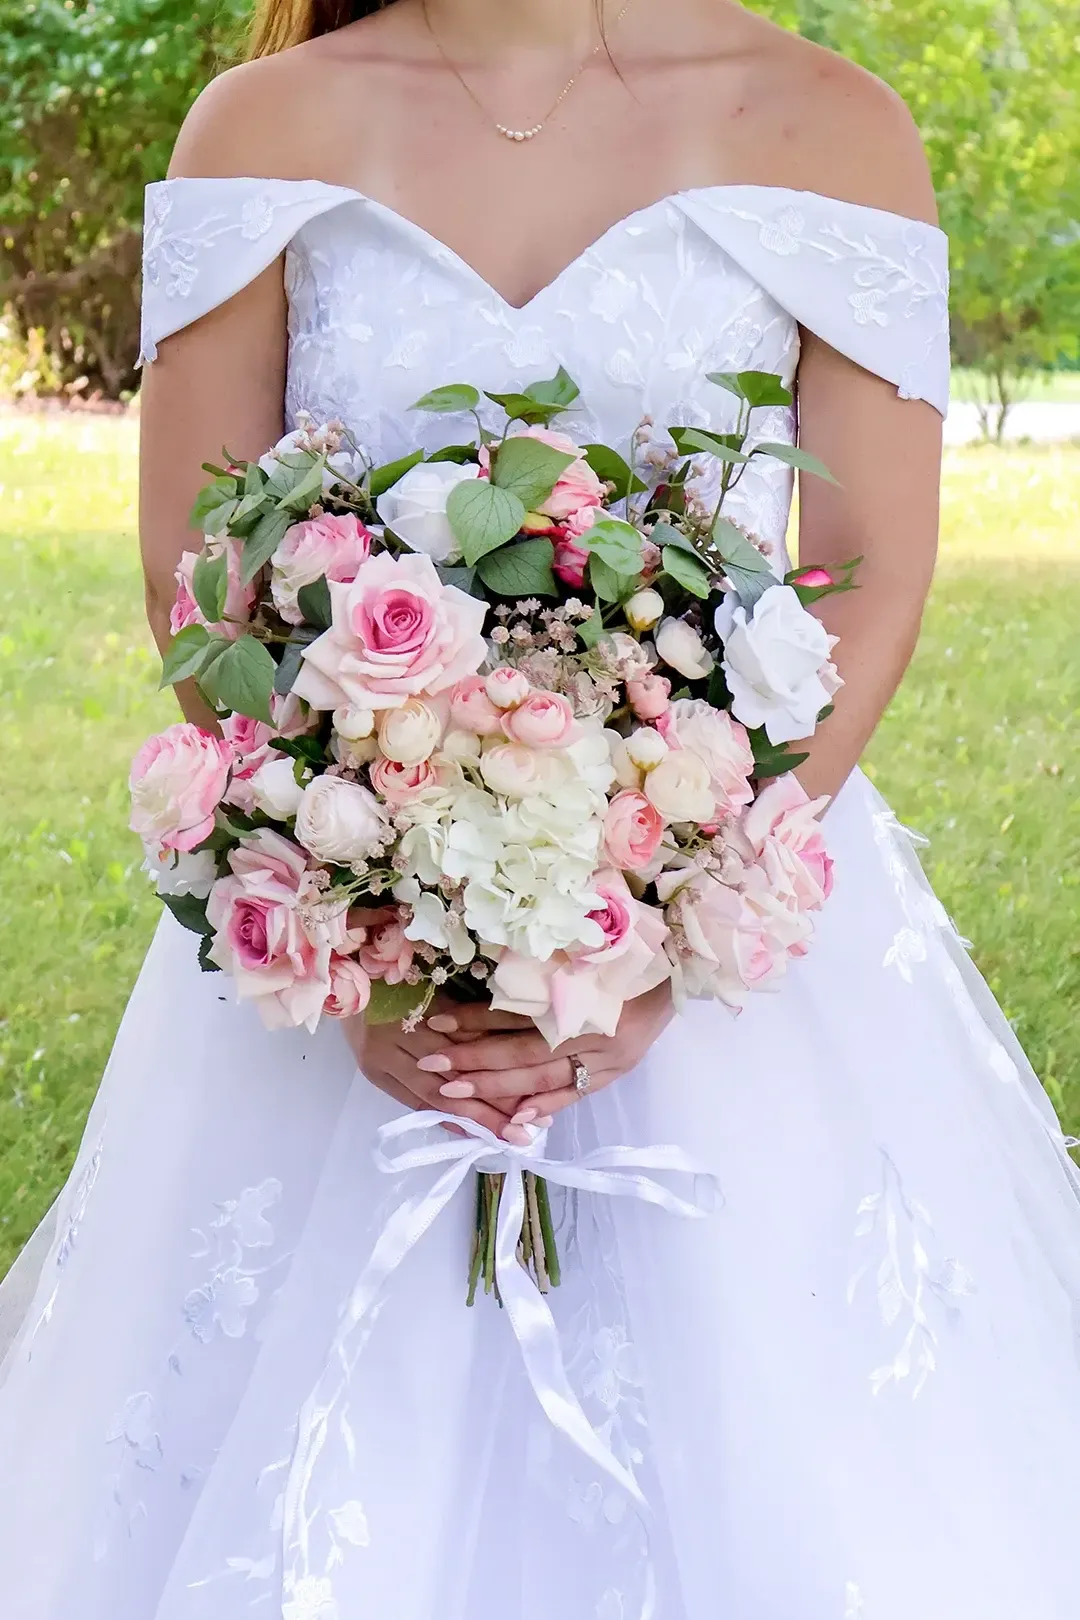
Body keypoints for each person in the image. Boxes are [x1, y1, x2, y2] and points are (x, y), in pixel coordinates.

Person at [1, 0, 1079, 1614]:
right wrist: (368, 930)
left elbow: (864, 579)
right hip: (348, 921)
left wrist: (652, 932)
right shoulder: (260, 124)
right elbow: (202, 577)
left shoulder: (831, 124)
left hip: (728, 933)